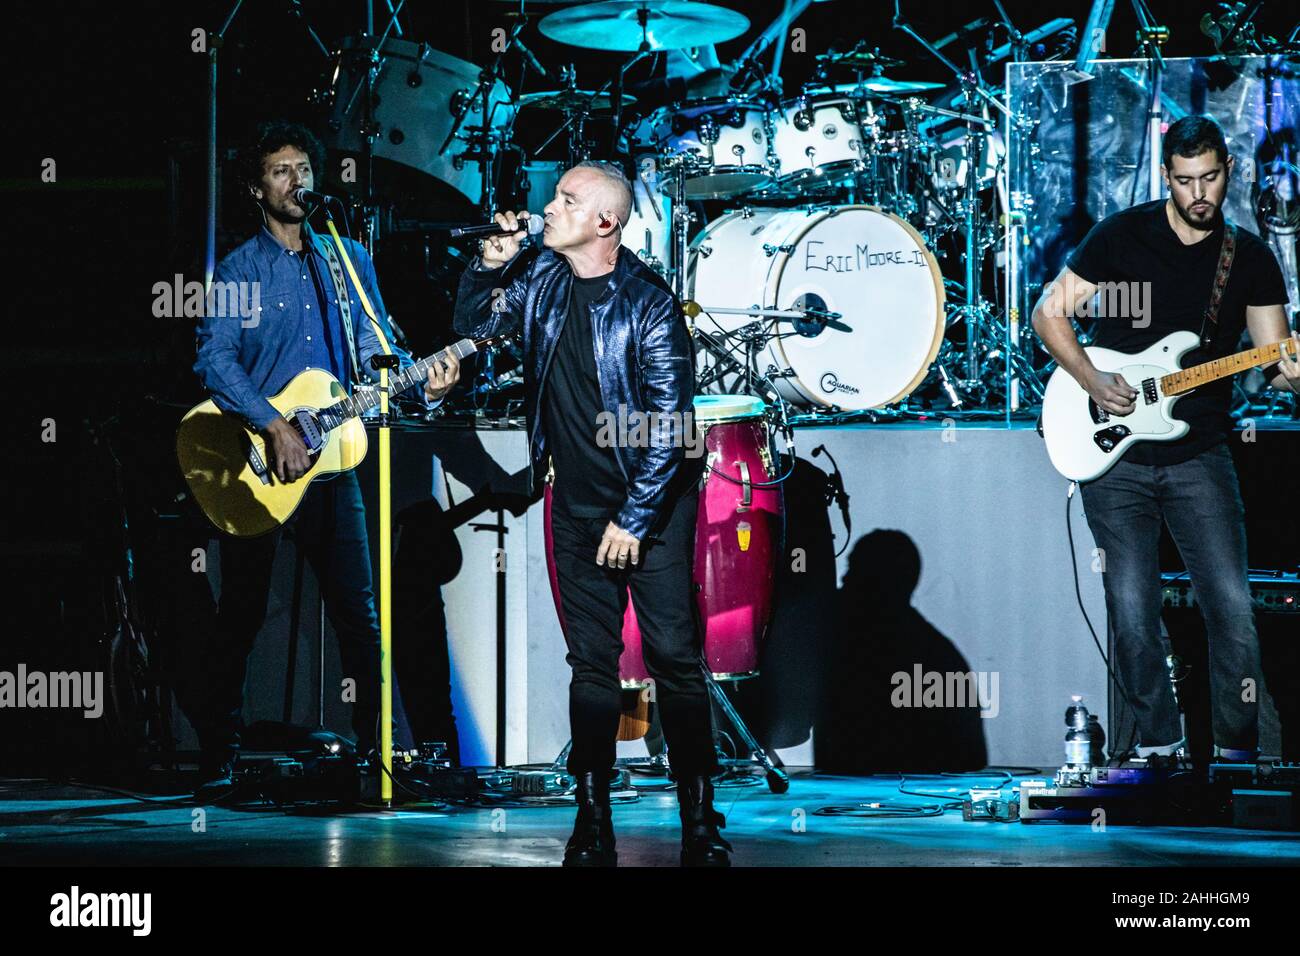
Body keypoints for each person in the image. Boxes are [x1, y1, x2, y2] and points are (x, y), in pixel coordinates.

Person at [452, 160, 728, 866]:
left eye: (567, 200)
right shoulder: (542, 282)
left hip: (652, 509)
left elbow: (671, 429)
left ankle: (700, 820)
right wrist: (488, 269)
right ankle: (592, 818)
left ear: (604, 223)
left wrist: (633, 521)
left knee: (675, 660)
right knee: (591, 668)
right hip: (575, 508)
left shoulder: (649, 304)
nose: (549, 207)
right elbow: (479, 335)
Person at [190, 120, 461, 796]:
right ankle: (218, 756)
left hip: (334, 463)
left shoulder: (347, 258)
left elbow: (378, 350)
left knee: (361, 616)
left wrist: (418, 375)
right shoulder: (239, 270)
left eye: (303, 169)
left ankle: (380, 757)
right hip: (257, 466)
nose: (296, 181)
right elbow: (212, 359)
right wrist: (271, 423)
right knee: (242, 613)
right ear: (257, 187)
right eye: (280, 171)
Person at [1032, 115, 1300, 764]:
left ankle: (1236, 760)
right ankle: (1159, 750)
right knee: (1131, 609)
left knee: (1232, 609)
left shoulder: (1250, 259)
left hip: (1199, 452)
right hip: (1114, 454)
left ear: (1228, 171)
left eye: (1209, 178)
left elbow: (1277, 362)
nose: (1199, 192)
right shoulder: (1122, 238)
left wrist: (1291, 367)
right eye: (1185, 181)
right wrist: (1094, 380)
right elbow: (1048, 312)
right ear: (1167, 178)